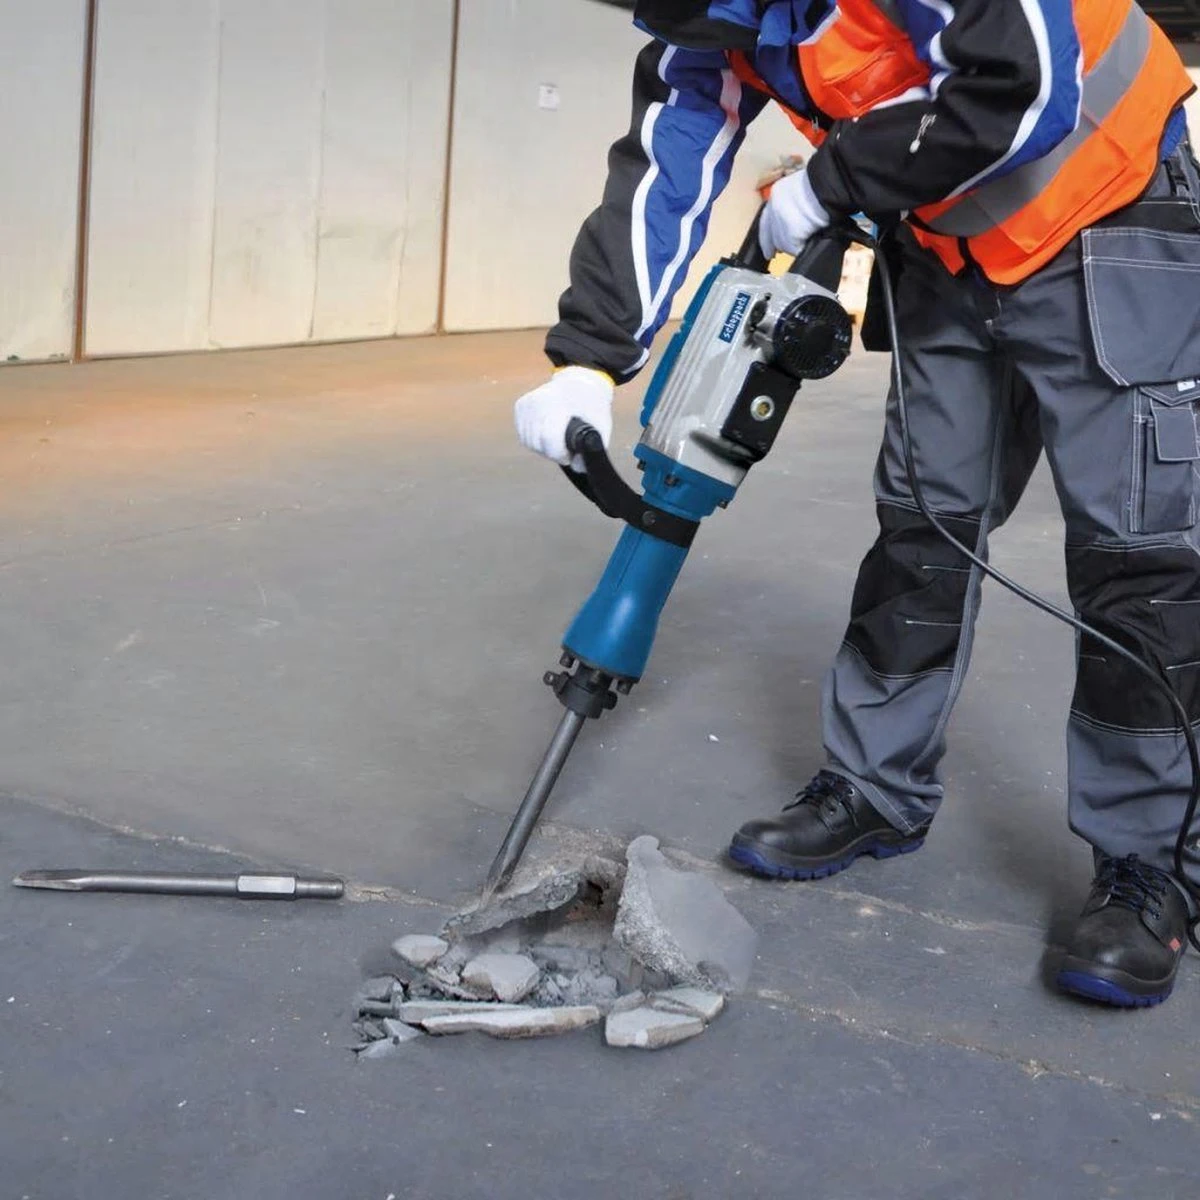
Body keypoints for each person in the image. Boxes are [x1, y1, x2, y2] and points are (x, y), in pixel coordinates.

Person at [513, 0, 1200, 1008]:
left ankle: (1150, 867)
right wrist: (588, 357)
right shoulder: (708, 22)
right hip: (947, 251)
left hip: (1110, 211)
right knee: (921, 531)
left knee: (1134, 557)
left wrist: (826, 184)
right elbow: (666, 166)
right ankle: (876, 788)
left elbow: (1023, 85)